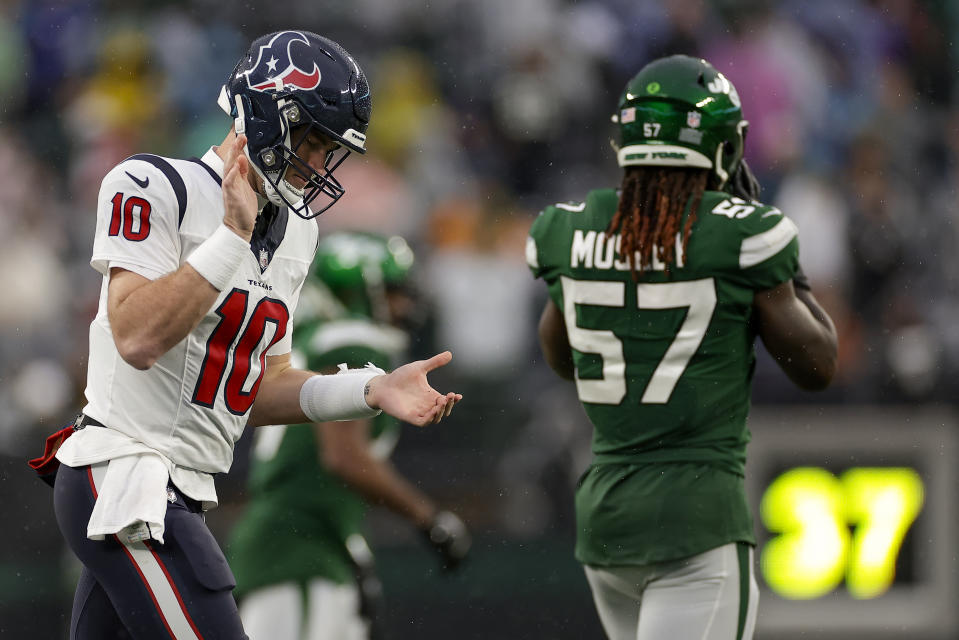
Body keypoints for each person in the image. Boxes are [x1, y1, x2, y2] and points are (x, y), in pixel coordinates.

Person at [35, 31, 461, 640]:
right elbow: (136, 338)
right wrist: (230, 241)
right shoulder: (156, 184)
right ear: (266, 114)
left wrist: (369, 390)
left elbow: (258, 390)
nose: (319, 163)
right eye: (313, 140)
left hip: (177, 488)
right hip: (125, 473)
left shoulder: (295, 234)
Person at [526, 55, 837, 640]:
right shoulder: (743, 233)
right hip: (696, 521)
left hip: (606, 523)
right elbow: (818, 366)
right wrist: (785, 279)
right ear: (723, 145)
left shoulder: (566, 228)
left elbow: (562, 358)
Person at [228, 230, 471, 640]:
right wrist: (431, 519)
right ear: (361, 289)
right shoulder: (352, 342)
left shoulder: (311, 340)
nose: (405, 305)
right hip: (299, 553)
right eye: (394, 291)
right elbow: (344, 457)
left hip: (307, 544)